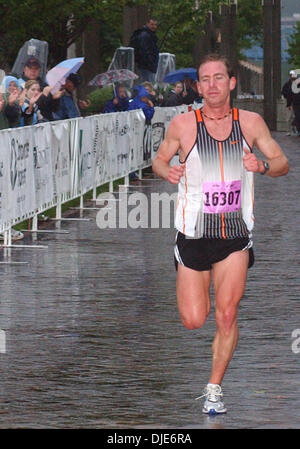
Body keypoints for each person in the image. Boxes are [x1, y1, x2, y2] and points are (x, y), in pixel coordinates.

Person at [152, 53, 289, 415]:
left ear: (231, 82)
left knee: (226, 314)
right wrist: (166, 171)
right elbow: (159, 159)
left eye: (218, 78)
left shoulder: (251, 123)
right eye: (205, 79)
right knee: (194, 319)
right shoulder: (183, 125)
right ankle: (197, 284)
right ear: (198, 87)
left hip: (234, 237)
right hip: (194, 235)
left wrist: (261, 166)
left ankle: (214, 388)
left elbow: (282, 163)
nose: (212, 85)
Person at [20, 56, 62, 121]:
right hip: (30, 124)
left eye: (36, 68)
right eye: (30, 68)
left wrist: (55, 99)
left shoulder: (44, 85)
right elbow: (28, 108)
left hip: (47, 121)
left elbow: (54, 109)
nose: (33, 71)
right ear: (24, 69)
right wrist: (44, 96)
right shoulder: (19, 84)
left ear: (39, 70)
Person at [131, 18, 159, 83]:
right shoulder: (144, 35)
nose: (154, 27)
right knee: (148, 85)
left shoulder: (150, 35)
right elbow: (144, 51)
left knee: (146, 83)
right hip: (146, 66)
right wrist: (151, 62)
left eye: (155, 25)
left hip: (148, 65)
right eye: (152, 24)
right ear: (147, 24)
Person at [281, 70, 297, 136]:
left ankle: (294, 128)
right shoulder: (287, 84)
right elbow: (283, 92)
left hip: (295, 102)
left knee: (295, 116)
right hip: (289, 102)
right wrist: (288, 98)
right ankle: (288, 130)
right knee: (288, 117)